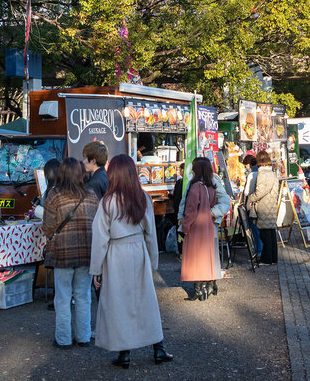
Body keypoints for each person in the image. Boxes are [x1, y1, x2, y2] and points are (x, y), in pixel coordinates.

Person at [90, 154, 172, 368]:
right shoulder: (142, 197)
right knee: (146, 300)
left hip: (116, 253)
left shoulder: (107, 202)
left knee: (118, 303)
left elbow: (100, 238)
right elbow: (151, 233)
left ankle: (124, 352)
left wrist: (96, 269)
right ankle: (159, 348)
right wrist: (153, 262)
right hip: (138, 251)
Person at [42, 158, 99, 348]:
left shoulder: (54, 195)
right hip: (87, 253)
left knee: (63, 298)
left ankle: (63, 339)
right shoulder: (91, 195)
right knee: (84, 296)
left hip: (62, 253)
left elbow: (48, 227)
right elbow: (98, 225)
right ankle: (83, 338)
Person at [179, 158, 218, 301]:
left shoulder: (196, 187)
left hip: (196, 226)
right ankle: (206, 289)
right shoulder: (211, 186)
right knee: (204, 257)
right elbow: (214, 204)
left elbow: (191, 209)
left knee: (194, 258)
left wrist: (185, 226)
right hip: (207, 225)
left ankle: (197, 291)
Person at [249, 150, 280, 265]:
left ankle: (266, 259)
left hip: (263, 206)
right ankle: (273, 258)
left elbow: (260, 191)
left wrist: (251, 198)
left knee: (264, 234)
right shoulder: (272, 173)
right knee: (271, 233)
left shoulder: (262, 173)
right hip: (271, 205)